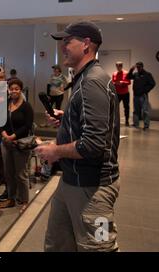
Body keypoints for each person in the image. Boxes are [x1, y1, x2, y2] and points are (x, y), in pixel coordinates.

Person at [35, 21, 120, 252]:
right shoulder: (83, 78)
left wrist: (55, 150)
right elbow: (92, 125)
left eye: (67, 41)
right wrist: (67, 120)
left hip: (93, 189)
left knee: (98, 247)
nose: (63, 47)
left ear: (86, 44)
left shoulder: (92, 81)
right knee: (58, 243)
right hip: (71, 180)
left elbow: (93, 144)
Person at [0, 78, 33, 213]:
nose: (14, 91)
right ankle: (11, 198)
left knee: (21, 174)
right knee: (9, 173)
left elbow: (27, 126)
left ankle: (24, 201)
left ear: (20, 90)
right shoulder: (6, 104)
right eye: (11, 89)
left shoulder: (26, 106)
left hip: (20, 144)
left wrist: (13, 136)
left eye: (16, 89)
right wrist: (4, 134)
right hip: (6, 143)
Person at [128, 62, 156, 130]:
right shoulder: (136, 74)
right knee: (136, 111)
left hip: (143, 95)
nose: (138, 68)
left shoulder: (147, 74)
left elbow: (152, 84)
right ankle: (136, 124)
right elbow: (128, 77)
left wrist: (145, 90)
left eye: (139, 67)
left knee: (145, 111)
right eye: (137, 67)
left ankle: (146, 126)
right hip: (136, 95)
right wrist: (131, 70)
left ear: (142, 67)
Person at [112, 62, 131, 126]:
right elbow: (112, 82)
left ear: (121, 66)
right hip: (117, 93)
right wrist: (115, 83)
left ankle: (127, 121)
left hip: (125, 93)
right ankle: (115, 120)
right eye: (117, 66)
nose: (118, 67)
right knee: (115, 107)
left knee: (126, 107)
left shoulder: (126, 73)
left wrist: (122, 82)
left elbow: (129, 82)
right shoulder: (114, 73)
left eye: (119, 66)